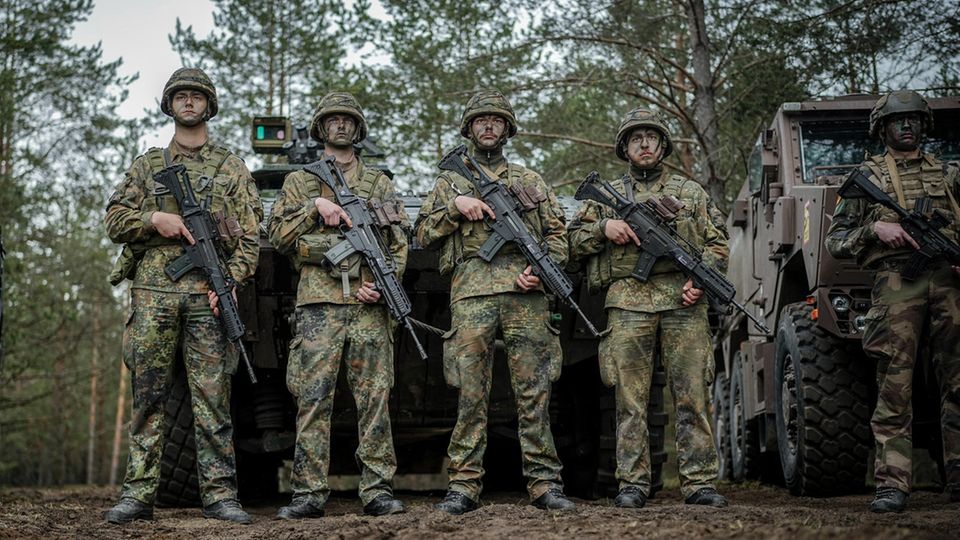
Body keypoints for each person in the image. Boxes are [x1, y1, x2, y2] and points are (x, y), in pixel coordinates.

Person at [103, 68, 261, 524]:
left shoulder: (231, 168)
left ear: (208, 106)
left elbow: (249, 237)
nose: (189, 103)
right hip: (154, 292)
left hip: (207, 297)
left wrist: (228, 281)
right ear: (170, 105)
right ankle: (137, 494)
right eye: (181, 97)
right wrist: (155, 219)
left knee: (212, 396)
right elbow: (115, 219)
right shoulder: (148, 166)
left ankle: (220, 495)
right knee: (148, 395)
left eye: (197, 97)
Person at [415, 90, 575, 514]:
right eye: (481, 120)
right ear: (469, 128)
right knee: (470, 394)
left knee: (534, 391)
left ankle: (545, 483)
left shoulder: (530, 181)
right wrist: (455, 205)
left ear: (507, 129)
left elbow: (559, 236)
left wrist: (541, 271)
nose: (488, 126)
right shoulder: (450, 182)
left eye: (496, 120)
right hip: (471, 292)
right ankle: (464, 484)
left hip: (526, 296)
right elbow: (423, 233)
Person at [567, 108, 729, 509]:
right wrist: (603, 229)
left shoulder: (690, 193)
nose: (644, 144)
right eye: (636, 138)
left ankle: (699, 483)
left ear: (662, 146)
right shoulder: (608, 196)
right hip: (627, 302)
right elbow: (570, 243)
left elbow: (718, 244)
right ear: (625, 147)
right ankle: (633, 484)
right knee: (630, 399)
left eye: (651, 138)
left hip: (682, 302)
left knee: (691, 394)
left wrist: (699, 282)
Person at [267, 92, 407, 519]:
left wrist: (384, 287)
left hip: (368, 305)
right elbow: (278, 236)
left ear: (357, 128)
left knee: (374, 399)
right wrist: (314, 207)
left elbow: (397, 242)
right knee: (313, 398)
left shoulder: (378, 182)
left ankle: (378, 489)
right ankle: (309, 492)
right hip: (319, 305)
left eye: (348, 120)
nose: (341, 125)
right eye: (333, 120)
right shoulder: (299, 182)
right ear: (321, 128)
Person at [826, 90, 960, 513]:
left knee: (958, 381)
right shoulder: (869, 178)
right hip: (898, 282)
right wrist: (873, 232)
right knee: (894, 385)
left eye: (914, 120)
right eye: (897, 121)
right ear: (882, 128)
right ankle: (892, 483)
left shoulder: (950, 175)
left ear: (924, 126)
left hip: (950, 283)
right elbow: (834, 241)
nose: (907, 127)